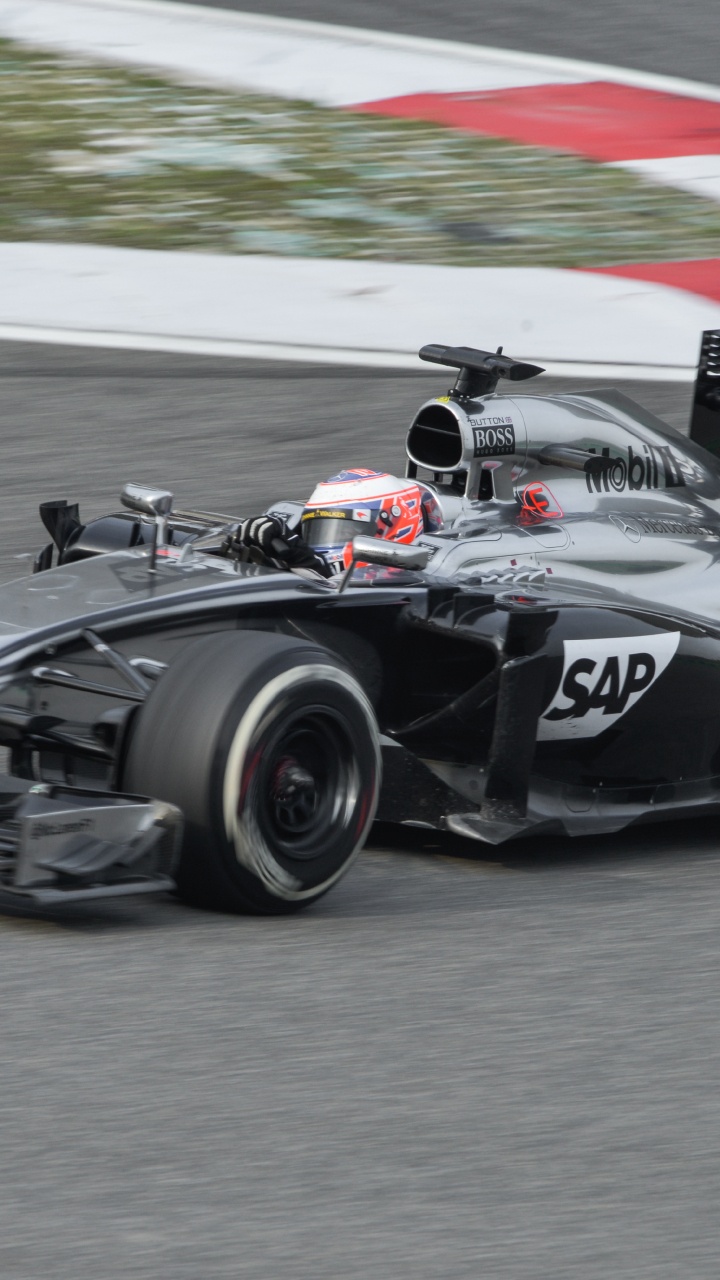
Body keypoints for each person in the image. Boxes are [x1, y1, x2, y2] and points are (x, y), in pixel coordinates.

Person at [226, 469, 443, 577]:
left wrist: (310, 566)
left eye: (343, 531)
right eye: (317, 530)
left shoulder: (438, 574)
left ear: (394, 523)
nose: (325, 543)